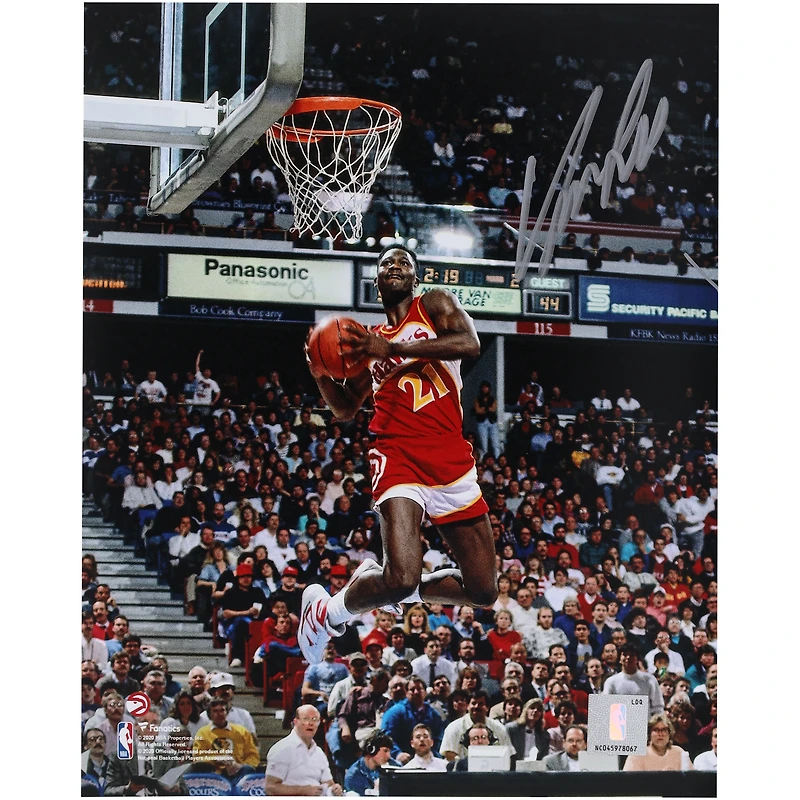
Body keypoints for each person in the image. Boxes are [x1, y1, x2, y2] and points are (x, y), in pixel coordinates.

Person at [299, 245, 497, 665]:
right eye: (386, 263)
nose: (394, 267)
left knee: (483, 591)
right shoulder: (366, 342)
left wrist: (394, 351)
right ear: (376, 282)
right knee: (401, 573)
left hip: (450, 457)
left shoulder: (434, 305)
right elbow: (345, 409)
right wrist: (320, 373)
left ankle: (396, 588)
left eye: (402, 263)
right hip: (396, 455)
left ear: (414, 277)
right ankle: (328, 612)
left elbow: (469, 343)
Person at [265, 705, 343, 796]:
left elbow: (328, 783)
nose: (311, 723)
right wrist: (304, 791)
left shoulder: (319, 753)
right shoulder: (281, 749)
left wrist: (335, 788)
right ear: (295, 722)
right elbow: (270, 788)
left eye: (315, 719)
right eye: (306, 719)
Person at [192, 697, 260, 782]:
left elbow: (253, 756)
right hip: (214, 773)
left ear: (226, 712)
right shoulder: (202, 733)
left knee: (247, 769)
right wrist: (216, 759)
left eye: (222, 710)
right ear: (210, 714)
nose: (219, 714)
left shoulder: (241, 731)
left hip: (238, 771)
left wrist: (240, 765)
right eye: (215, 711)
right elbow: (197, 758)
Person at [603, 643, 665, 715]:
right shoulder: (611, 681)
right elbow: (606, 707)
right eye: (625, 655)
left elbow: (658, 706)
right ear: (619, 659)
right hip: (618, 724)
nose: (628, 657)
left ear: (637, 659)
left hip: (645, 723)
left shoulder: (650, 680)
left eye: (632, 655)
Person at [623, 712, 695, 771]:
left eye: (664, 730)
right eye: (656, 730)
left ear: (670, 733)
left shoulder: (679, 752)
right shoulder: (637, 756)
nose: (660, 734)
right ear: (649, 733)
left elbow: (691, 780)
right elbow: (629, 783)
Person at [343, 730, 400, 795]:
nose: (388, 756)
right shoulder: (353, 777)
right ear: (371, 749)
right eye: (385, 751)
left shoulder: (394, 766)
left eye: (389, 751)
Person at [473, 381, 501, 459]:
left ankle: (497, 459)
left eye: (487, 387)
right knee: (484, 444)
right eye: (484, 388)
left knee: (496, 444)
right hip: (482, 422)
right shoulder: (477, 399)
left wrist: (484, 409)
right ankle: (484, 460)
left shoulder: (492, 398)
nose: (485, 389)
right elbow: (477, 410)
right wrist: (487, 409)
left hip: (492, 422)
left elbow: (494, 408)